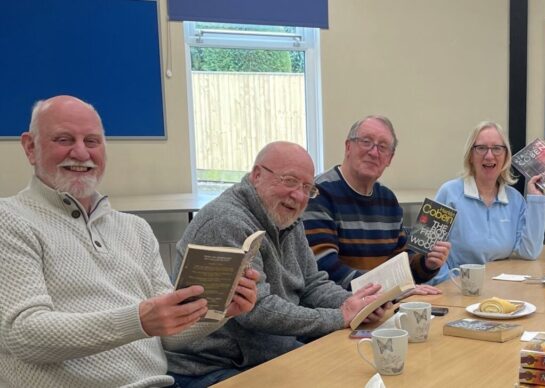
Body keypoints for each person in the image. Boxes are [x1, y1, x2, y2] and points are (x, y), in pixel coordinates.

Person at [0, 95, 258, 387]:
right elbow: (23, 334)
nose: (81, 153)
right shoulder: (9, 220)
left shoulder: (135, 229)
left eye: (93, 141)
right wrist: (138, 320)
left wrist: (221, 308)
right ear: (30, 147)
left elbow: (169, 336)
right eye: (64, 139)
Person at [166, 141, 389, 387]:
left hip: (271, 351)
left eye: (307, 187)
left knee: (361, 371)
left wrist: (355, 305)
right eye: (290, 181)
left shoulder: (285, 216)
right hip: (213, 368)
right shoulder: (226, 222)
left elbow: (313, 283)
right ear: (257, 175)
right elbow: (256, 310)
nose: (299, 196)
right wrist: (338, 317)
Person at [302, 115, 450, 291]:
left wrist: (427, 263)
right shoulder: (318, 193)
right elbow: (325, 270)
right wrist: (391, 291)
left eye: (383, 147)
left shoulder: (388, 200)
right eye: (366, 142)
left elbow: (401, 264)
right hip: (338, 311)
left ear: (389, 159)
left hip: (381, 306)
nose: (374, 152)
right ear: (348, 147)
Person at [427, 122, 545, 285]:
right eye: (481, 148)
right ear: (470, 155)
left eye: (497, 148)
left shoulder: (515, 199)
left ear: (506, 155)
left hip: (499, 289)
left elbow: (530, 252)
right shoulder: (448, 192)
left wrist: (536, 200)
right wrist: (449, 284)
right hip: (456, 288)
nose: (489, 156)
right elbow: (425, 249)